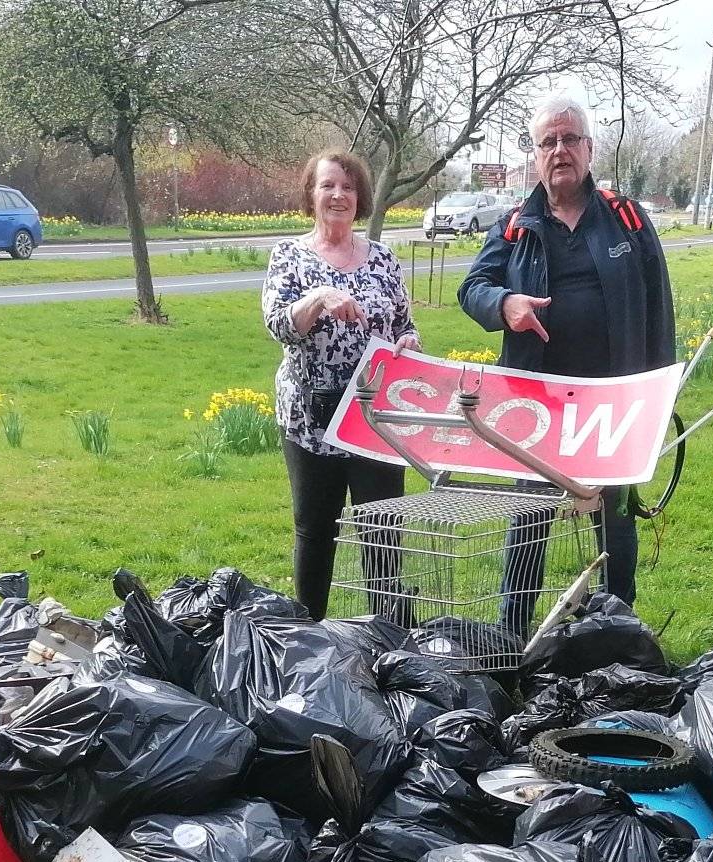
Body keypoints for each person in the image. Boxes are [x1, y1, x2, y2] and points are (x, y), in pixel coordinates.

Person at [457, 96, 675, 632]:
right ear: (535, 156)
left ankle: (618, 627)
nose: (560, 150)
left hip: (611, 402)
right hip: (537, 404)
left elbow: (658, 304)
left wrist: (657, 394)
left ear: (589, 149)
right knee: (529, 520)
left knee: (614, 519)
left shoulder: (625, 217)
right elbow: (473, 288)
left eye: (570, 139)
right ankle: (512, 633)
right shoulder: (516, 225)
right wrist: (504, 305)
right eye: (548, 142)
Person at [261, 150, 421, 620]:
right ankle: (308, 642)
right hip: (312, 420)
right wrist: (320, 297)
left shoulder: (384, 259)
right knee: (315, 532)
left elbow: (404, 325)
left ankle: (387, 641)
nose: (339, 195)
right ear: (311, 195)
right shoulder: (289, 257)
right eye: (328, 185)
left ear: (360, 197)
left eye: (349, 187)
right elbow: (279, 324)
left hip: (376, 419)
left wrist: (408, 342)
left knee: (383, 532)